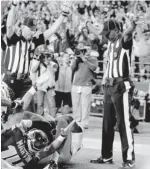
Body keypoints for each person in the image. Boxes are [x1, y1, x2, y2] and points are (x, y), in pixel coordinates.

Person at [2, 0, 72, 112]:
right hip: (10, 80)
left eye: (34, 30)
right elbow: (9, 25)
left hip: (25, 82)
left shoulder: (33, 41)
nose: (33, 32)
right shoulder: (14, 38)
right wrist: (14, 5)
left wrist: (63, 15)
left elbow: (52, 30)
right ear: (23, 27)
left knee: (26, 114)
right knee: (7, 112)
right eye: (31, 29)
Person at [87, 17, 138, 168]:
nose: (106, 35)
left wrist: (133, 24)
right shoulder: (110, 41)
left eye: (109, 32)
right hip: (109, 85)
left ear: (116, 31)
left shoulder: (123, 40)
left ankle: (129, 159)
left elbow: (128, 32)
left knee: (123, 123)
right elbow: (97, 32)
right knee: (107, 122)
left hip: (120, 84)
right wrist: (87, 24)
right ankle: (106, 156)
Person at [2, 112, 83, 169]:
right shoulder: (30, 160)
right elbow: (51, 148)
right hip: (59, 155)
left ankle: (76, 142)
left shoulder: (17, 133)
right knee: (64, 120)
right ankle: (77, 143)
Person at [71, 44, 98, 129]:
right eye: (81, 50)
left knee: (85, 105)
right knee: (75, 105)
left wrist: (84, 60)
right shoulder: (77, 60)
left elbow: (93, 68)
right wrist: (76, 59)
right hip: (76, 84)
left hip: (86, 85)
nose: (83, 52)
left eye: (84, 50)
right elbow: (72, 68)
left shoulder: (93, 59)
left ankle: (84, 123)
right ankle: (76, 121)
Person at [31, 46, 58, 117]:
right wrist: (39, 60)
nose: (45, 56)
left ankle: (53, 121)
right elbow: (33, 70)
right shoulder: (38, 62)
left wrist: (48, 61)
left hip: (50, 86)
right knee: (40, 105)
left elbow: (54, 70)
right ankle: (40, 121)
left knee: (52, 105)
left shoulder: (52, 63)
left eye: (47, 55)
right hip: (40, 86)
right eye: (44, 55)